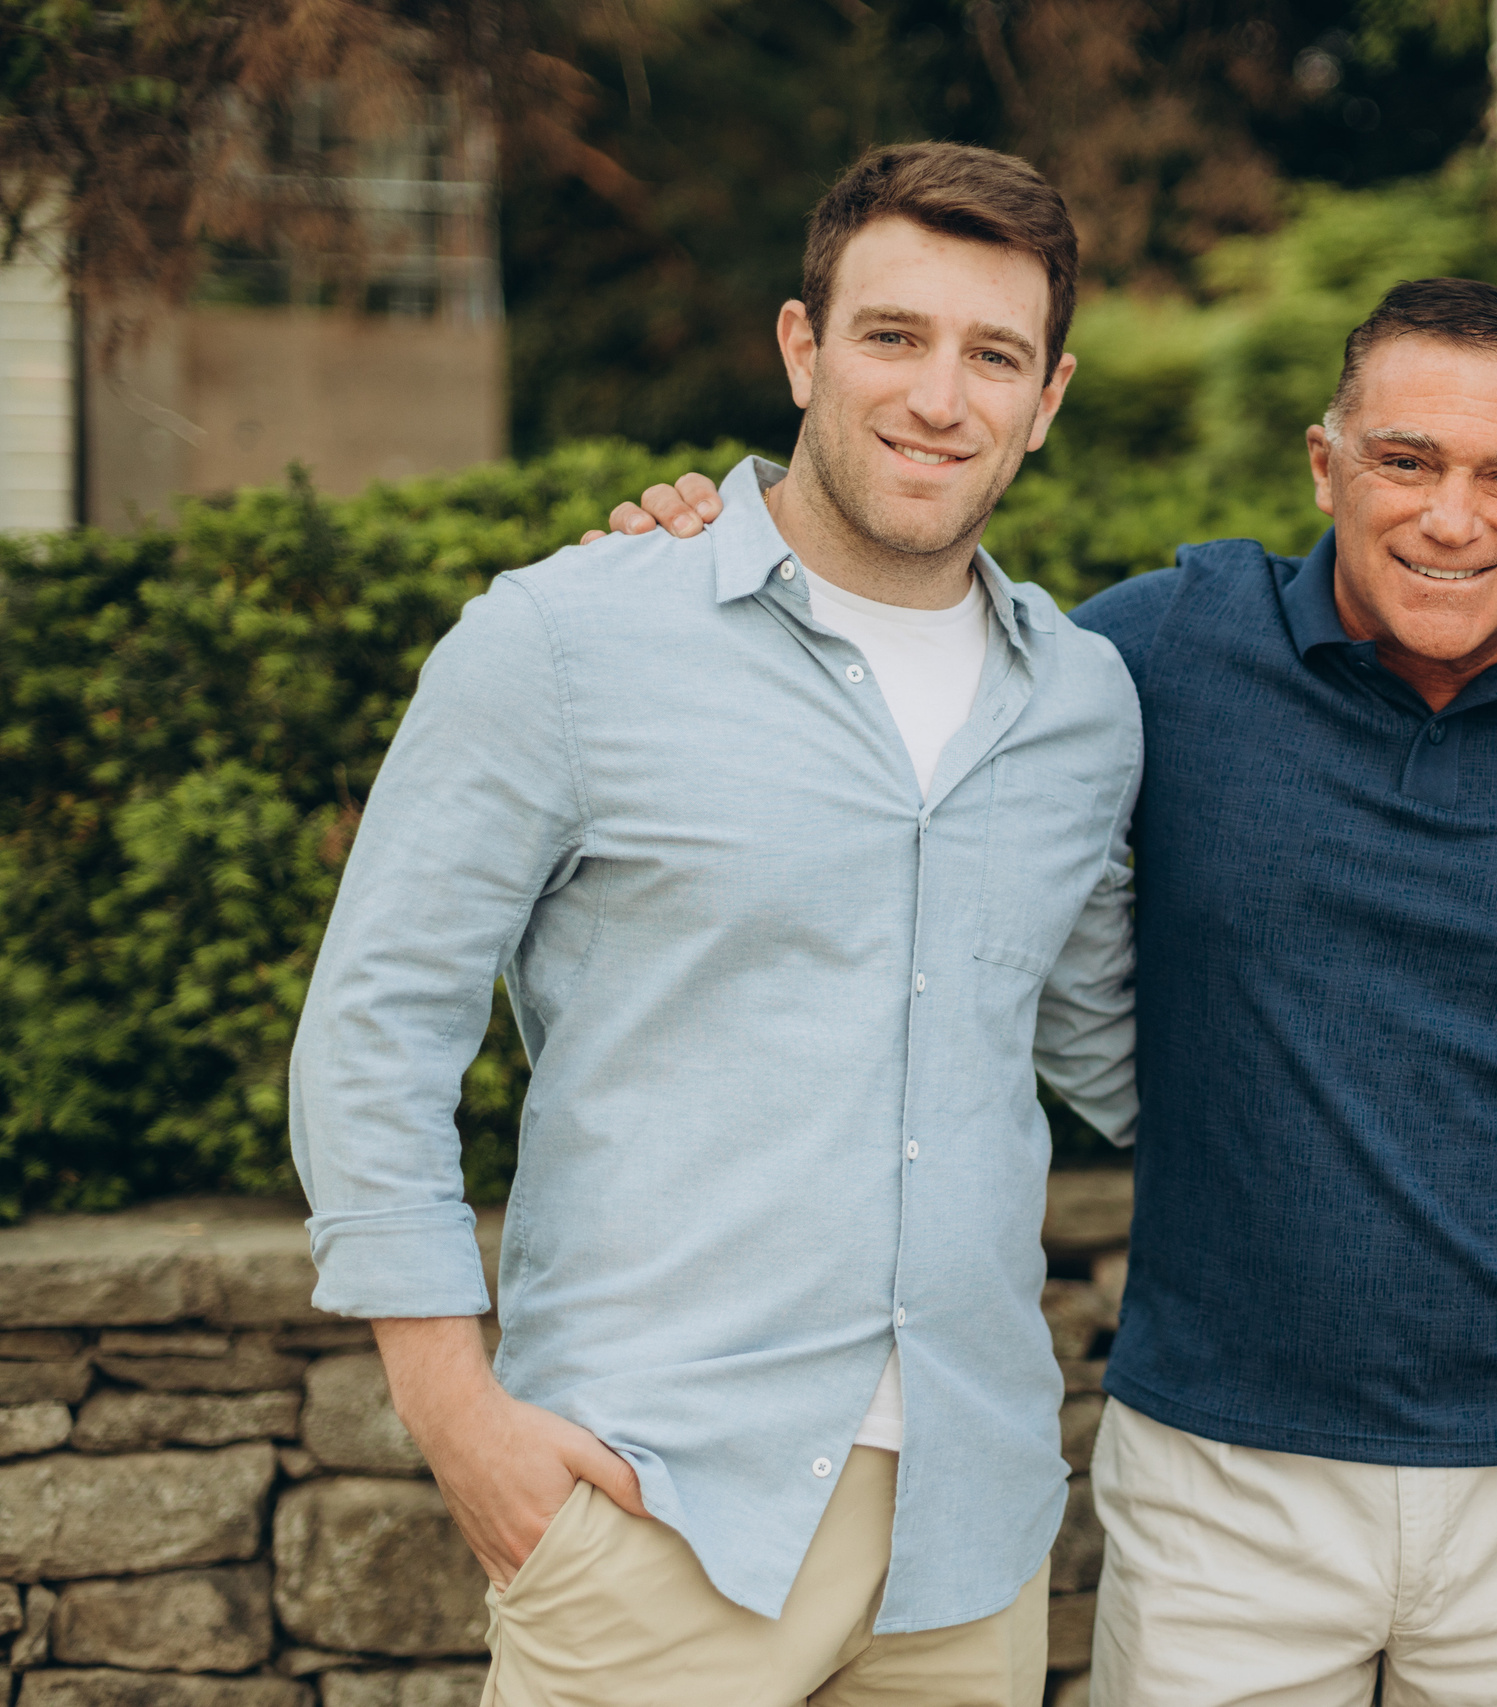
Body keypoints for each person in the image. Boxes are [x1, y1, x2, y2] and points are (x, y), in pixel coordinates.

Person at [606, 278, 1497, 1706]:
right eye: (1406, 461)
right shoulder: (1166, 649)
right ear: (1324, 465)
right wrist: (705, 556)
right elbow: (900, 673)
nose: (1455, 519)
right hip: (1221, 1479)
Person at [290, 141, 1141, 1707]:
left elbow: (1118, 1049)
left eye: (993, 355)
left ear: (1048, 398)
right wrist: (456, 1418)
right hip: (654, 1511)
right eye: (892, 336)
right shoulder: (568, 639)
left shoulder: (1082, 704)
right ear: (803, 348)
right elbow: (375, 1026)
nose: (938, 397)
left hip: (968, 1540)